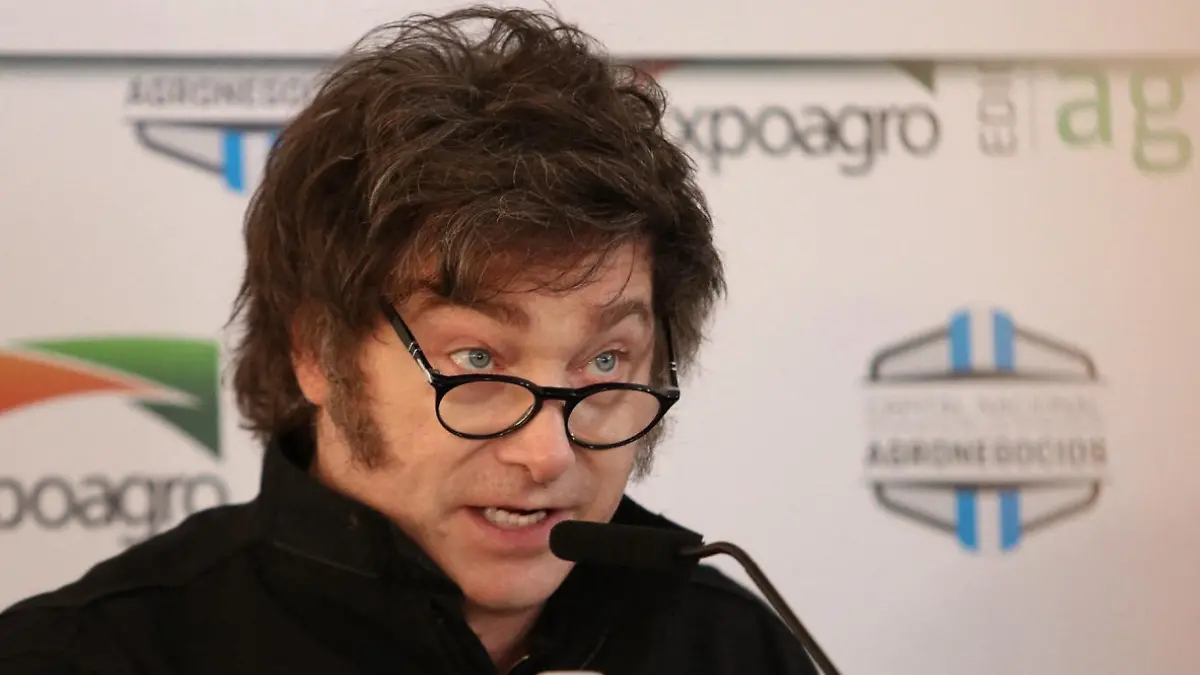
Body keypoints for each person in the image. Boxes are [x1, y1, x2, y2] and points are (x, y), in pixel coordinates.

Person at [0, 6, 818, 674]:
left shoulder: (732, 645)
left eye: (605, 362)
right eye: (477, 359)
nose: (548, 453)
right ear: (318, 352)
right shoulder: (89, 654)